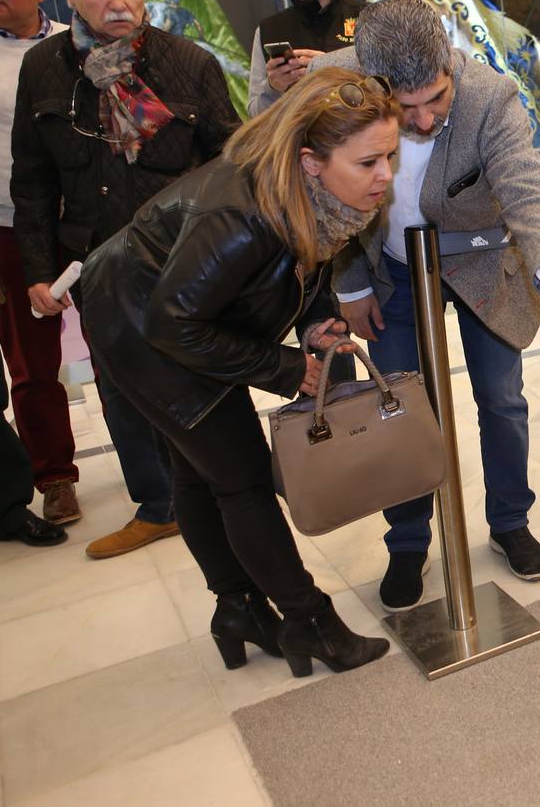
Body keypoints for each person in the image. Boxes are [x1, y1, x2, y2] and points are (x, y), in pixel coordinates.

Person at [79, 68, 396, 676]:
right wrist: (284, 367)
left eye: (389, 155)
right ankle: (312, 623)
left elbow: (292, 271)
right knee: (240, 476)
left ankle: (239, 609)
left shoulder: (306, 194)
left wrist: (313, 322)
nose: (385, 175)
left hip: (180, 311)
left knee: (200, 472)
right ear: (310, 161)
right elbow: (174, 324)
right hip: (140, 319)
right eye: (369, 162)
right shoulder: (242, 216)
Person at [311, 0, 540, 609]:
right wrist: (352, 284)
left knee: (501, 397)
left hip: (480, 263)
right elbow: (321, 191)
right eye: (403, 106)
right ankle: (409, 541)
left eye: (436, 99)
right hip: (389, 270)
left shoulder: (489, 95)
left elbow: (527, 191)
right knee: (403, 404)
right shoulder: (334, 88)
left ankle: (510, 522)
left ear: (450, 63)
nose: (421, 120)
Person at [10, 0, 240, 558]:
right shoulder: (44, 71)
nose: (118, 2)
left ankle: (234, 485)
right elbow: (31, 179)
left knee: (205, 375)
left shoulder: (188, 63)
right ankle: (158, 504)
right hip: (96, 263)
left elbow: (235, 167)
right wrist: (36, 268)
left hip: (187, 259)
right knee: (119, 387)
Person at [0, 0, 80, 525]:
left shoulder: (76, 44)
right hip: (8, 227)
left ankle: (161, 465)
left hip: (87, 221)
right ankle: (54, 476)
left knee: (125, 345)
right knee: (30, 362)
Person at [0, 146, 68, 548]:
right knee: (26, 368)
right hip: (3, 224)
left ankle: (9, 510)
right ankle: (41, 484)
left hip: (75, 209)